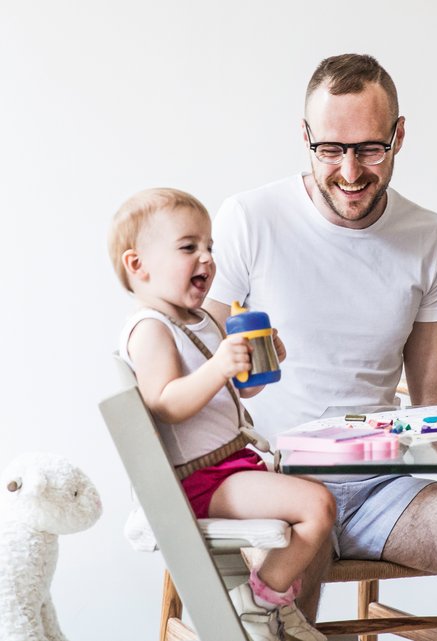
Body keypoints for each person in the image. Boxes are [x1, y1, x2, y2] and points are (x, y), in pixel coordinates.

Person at [204, 54, 437, 640]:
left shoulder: (427, 235)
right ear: (304, 137)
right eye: (330, 149)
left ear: (399, 135)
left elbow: (435, 393)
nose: (351, 171)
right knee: (282, 619)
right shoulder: (250, 218)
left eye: (370, 148)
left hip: (382, 486)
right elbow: (197, 361)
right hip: (275, 478)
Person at [109, 188, 336, 641]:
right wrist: (219, 365)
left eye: (210, 246)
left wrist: (262, 361)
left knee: (313, 497)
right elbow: (166, 404)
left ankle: (273, 604)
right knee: (317, 505)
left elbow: (239, 391)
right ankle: (258, 605)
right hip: (201, 480)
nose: (207, 258)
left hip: (230, 467)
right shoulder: (150, 329)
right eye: (189, 247)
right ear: (138, 265)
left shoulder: (202, 321)